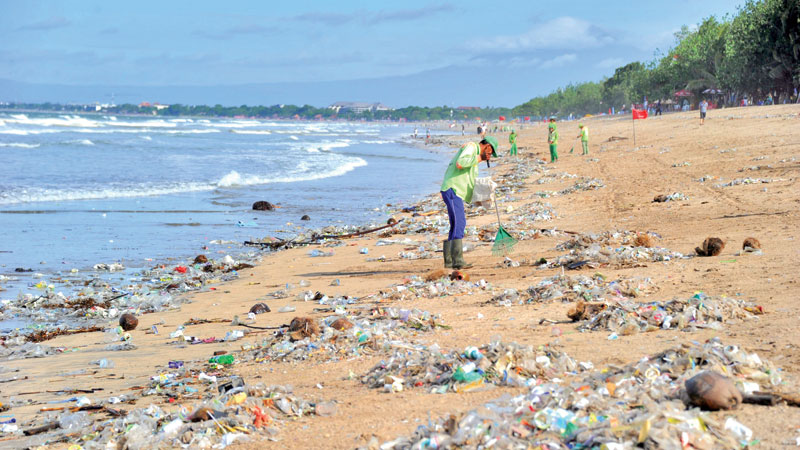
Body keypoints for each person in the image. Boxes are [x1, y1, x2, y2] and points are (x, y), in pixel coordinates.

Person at [440, 136, 498, 269]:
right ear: (487, 145)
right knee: (460, 223)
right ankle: (457, 261)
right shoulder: (471, 147)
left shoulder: (473, 152)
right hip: (453, 189)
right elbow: (460, 163)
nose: (490, 155)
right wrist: (480, 158)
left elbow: (469, 176)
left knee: (455, 224)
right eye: (490, 152)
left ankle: (449, 262)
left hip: (456, 191)